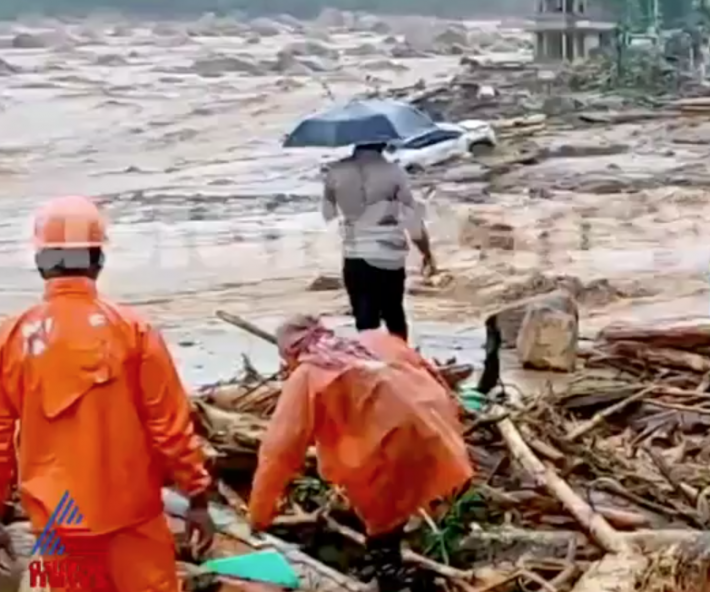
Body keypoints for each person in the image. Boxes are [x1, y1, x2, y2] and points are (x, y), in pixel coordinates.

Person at [0, 196, 215, 591]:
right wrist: (197, 496)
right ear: (98, 260)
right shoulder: (134, 330)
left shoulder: (12, 337)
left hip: (56, 521)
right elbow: (169, 426)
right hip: (132, 516)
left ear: (40, 262)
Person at [250, 316, 473, 589]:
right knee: (406, 500)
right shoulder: (374, 341)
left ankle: (389, 575)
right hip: (433, 425)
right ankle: (395, 563)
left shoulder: (309, 375)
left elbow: (279, 450)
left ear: (290, 351)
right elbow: (433, 374)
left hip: (387, 444)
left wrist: (259, 515)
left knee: (381, 516)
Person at [323, 142, 437, 341]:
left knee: (365, 319)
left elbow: (328, 212)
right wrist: (426, 253)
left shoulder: (336, 171)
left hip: (355, 255)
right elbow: (412, 218)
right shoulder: (393, 172)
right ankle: (402, 362)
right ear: (382, 143)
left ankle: (373, 364)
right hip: (388, 255)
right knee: (394, 314)